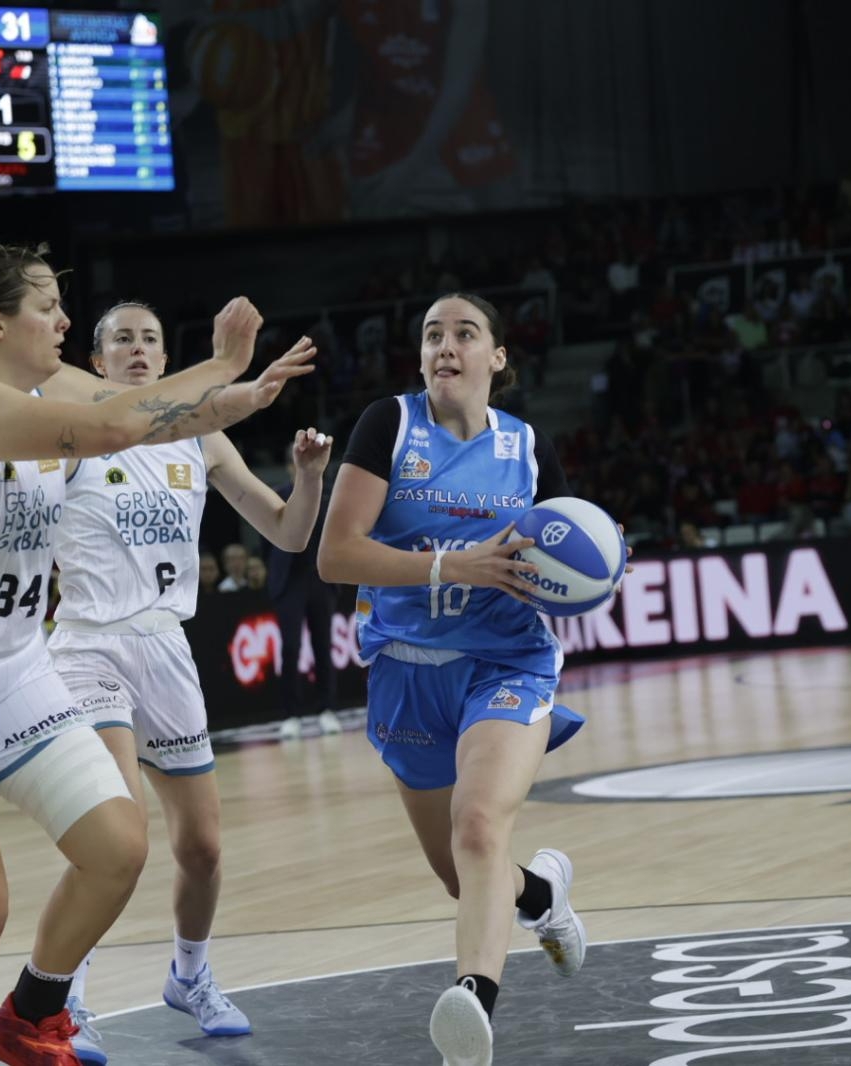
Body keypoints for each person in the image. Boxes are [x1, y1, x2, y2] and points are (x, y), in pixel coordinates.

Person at [0, 243, 314, 1066]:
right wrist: (222, 364)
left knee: (118, 848)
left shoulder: (45, 383)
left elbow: (151, 412)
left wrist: (234, 394)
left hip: (9, 666)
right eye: (48, 307)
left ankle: (32, 1014)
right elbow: (114, 424)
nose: (63, 321)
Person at [40, 301, 332, 1063]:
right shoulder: (75, 432)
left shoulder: (201, 436)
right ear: (96, 363)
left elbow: (289, 532)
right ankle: (65, 996)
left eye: (150, 339)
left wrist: (307, 480)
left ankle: (190, 975)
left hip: (165, 649)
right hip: (87, 649)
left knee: (201, 847)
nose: (137, 350)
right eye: (121, 341)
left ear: (169, 360)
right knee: (117, 831)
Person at [317, 293, 587, 1066]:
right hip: (407, 674)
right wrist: (451, 564)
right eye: (434, 334)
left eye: (465, 334)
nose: (446, 346)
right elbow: (336, 556)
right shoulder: (390, 425)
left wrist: (603, 556)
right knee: (464, 876)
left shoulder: (527, 447)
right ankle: (542, 896)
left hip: (507, 663)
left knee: (477, 827)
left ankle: (471, 1011)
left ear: (497, 358)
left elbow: (565, 547)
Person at [268, 441, 338, 724]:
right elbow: (267, 545)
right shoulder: (276, 498)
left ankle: (327, 709)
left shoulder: (328, 497)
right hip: (290, 583)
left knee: (323, 644)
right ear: (289, 466)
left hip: (320, 580)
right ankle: (291, 714)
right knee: (290, 647)